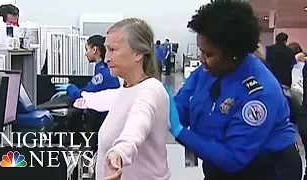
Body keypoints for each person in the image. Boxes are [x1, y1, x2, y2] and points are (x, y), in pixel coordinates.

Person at [165, 0, 302, 179]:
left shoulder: (259, 95)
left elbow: (234, 158)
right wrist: (163, 105)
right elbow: (181, 106)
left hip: (263, 168)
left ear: (234, 53)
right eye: (201, 51)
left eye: (209, 54)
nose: (201, 59)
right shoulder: (207, 71)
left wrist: (180, 131)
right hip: (217, 157)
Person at [96, 18, 170, 180]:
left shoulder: (149, 91)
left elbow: (137, 126)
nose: (107, 58)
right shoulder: (128, 87)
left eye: (113, 50)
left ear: (138, 53)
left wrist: (119, 152)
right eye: (106, 50)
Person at [52, 35, 120, 101]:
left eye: (87, 49)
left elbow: (82, 96)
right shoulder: (105, 69)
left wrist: (70, 88)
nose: (85, 54)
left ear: (94, 50)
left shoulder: (102, 74)